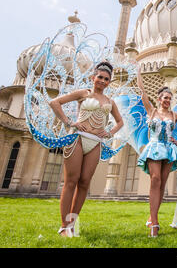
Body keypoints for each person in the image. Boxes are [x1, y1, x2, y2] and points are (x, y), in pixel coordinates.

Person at [48, 62, 124, 237]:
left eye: (106, 79)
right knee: (71, 181)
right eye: (100, 77)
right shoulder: (83, 93)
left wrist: (109, 133)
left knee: (84, 183)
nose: (103, 81)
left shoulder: (110, 102)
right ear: (93, 77)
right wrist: (69, 122)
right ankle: (63, 225)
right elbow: (55, 103)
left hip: (95, 142)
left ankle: (72, 224)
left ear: (109, 82)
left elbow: (120, 122)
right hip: (77, 139)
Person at [136, 65, 177, 237]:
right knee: (156, 179)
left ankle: (151, 217)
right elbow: (142, 92)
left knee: (162, 185)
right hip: (154, 147)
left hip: (169, 149)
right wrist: (138, 73)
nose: (167, 100)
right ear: (159, 99)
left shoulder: (175, 115)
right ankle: (155, 223)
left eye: (169, 98)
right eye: (165, 98)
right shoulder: (151, 111)